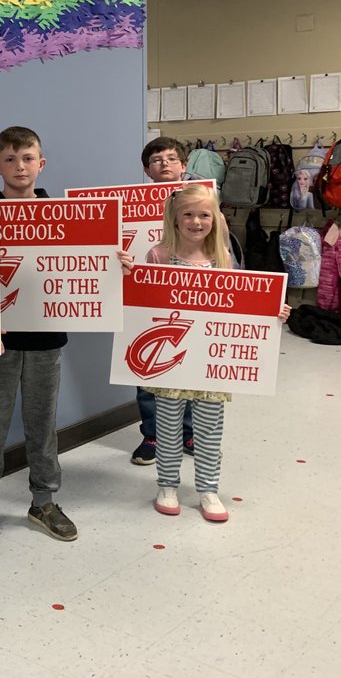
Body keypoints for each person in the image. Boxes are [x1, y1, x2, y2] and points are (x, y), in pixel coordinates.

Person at [143, 184, 289, 521]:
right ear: (175, 219)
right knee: (167, 425)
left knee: (210, 428)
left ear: (215, 218)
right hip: (170, 359)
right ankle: (167, 485)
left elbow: (240, 301)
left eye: (204, 215)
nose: (196, 221)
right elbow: (144, 302)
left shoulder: (223, 257)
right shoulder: (158, 255)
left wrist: (272, 310)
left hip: (210, 361)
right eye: (189, 214)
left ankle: (208, 489)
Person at [0, 126, 78, 548]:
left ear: (41, 164)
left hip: (46, 338)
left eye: (28, 158)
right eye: (10, 160)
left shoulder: (59, 213)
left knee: (42, 424)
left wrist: (112, 259)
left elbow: (83, 264)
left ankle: (44, 501)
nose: (20, 166)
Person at [131, 137, 197, 467]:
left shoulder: (204, 201)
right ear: (147, 169)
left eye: (172, 159)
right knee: (149, 367)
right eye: (157, 160)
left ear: (183, 165)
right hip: (149, 296)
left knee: (190, 367)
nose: (165, 164)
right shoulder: (130, 204)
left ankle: (188, 431)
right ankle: (153, 434)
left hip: (194, 295)